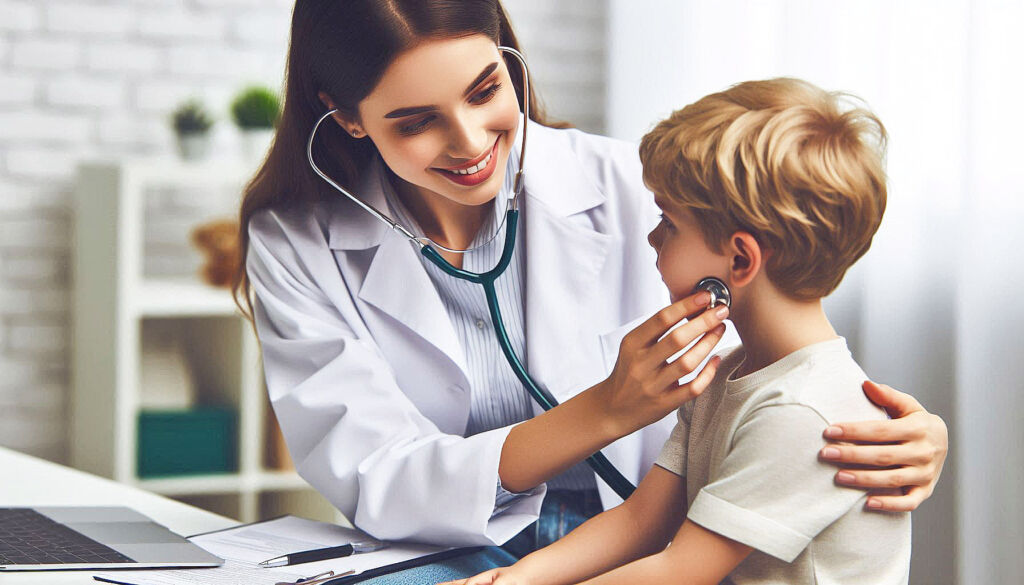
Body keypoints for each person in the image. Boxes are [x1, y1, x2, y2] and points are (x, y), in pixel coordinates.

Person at [234, 0, 947, 579]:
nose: (470, 140)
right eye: (417, 122)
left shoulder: (639, 189)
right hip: (437, 540)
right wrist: (604, 410)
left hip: (634, 537)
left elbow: (782, 364)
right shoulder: (294, 239)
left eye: (485, 90)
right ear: (348, 115)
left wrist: (906, 432)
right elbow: (376, 472)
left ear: (509, 59)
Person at [448, 78, 911, 585]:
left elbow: (680, 570)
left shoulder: (800, 412)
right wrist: (513, 580)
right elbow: (640, 522)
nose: (651, 236)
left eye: (668, 222)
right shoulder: (728, 377)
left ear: (739, 259)